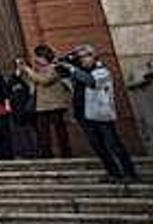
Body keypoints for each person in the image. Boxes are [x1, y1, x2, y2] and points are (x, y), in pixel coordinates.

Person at [58, 45, 138, 182]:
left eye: (83, 57)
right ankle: (113, 173)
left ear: (92, 56)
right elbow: (63, 74)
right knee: (98, 147)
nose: (81, 60)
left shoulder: (101, 71)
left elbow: (91, 82)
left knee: (113, 145)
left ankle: (129, 173)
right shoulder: (79, 72)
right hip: (84, 115)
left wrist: (71, 67)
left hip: (101, 115)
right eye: (80, 58)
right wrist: (64, 60)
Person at [28, 46, 73, 158]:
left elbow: (44, 81)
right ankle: (46, 153)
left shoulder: (55, 67)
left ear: (44, 57)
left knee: (59, 129)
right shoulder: (37, 70)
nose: (36, 59)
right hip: (42, 105)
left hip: (55, 105)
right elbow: (33, 85)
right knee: (43, 130)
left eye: (38, 56)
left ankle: (66, 153)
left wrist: (28, 70)